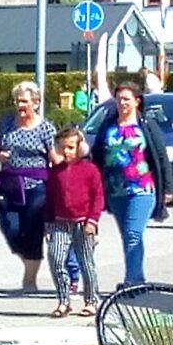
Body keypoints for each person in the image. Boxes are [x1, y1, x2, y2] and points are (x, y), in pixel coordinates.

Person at [87, 78, 171, 286]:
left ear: (137, 101)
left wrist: (168, 188)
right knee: (127, 235)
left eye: (126, 99)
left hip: (141, 189)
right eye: (119, 99)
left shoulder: (146, 125)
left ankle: (134, 280)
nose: (122, 103)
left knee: (133, 233)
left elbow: (161, 156)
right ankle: (135, 276)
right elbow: (97, 156)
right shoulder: (108, 126)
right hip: (115, 191)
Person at [0, 82, 56, 293]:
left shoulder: (46, 129)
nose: (20, 105)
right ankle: (28, 259)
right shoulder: (6, 123)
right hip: (9, 184)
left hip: (37, 187)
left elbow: (54, 158)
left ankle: (29, 280)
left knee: (32, 232)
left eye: (24, 101)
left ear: (36, 103)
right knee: (11, 230)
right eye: (17, 101)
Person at [44, 127, 104, 318]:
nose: (66, 151)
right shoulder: (55, 172)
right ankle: (64, 301)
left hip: (83, 224)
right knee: (55, 259)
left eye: (70, 147)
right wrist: (47, 224)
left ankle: (91, 301)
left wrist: (92, 221)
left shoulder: (90, 170)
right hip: (60, 223)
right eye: (62, 148)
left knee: (86, 263)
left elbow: (98, 198)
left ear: (80, 148)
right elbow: (50, 199)